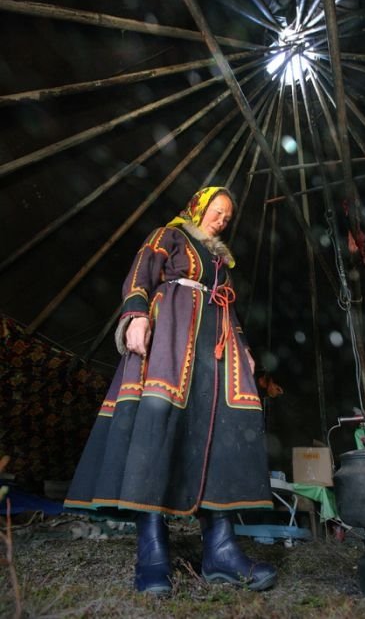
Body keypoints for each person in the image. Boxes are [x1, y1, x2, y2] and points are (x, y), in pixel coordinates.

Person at [64, 186, 276, 593]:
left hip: (214, 353)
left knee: (216, 431)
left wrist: (244, 350)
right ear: (198, 207)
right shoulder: (169, 235)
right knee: (157, 425)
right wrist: (137, 315)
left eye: (228, 216)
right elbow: (142, 274)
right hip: (171, 339)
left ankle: (221, 550)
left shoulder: (219, 261)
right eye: (217, 211)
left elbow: (227, 306)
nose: (222, 219)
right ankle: (153, 549)